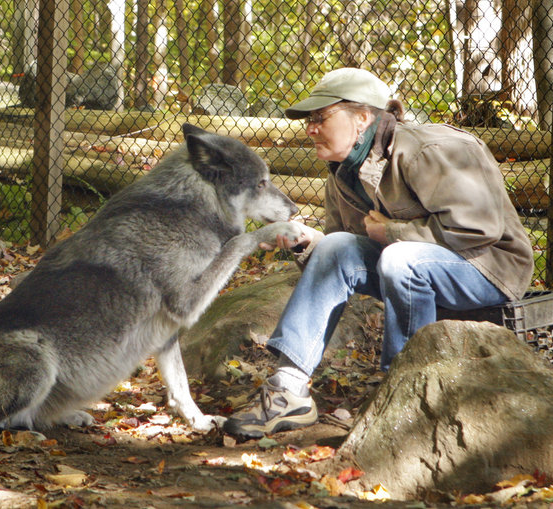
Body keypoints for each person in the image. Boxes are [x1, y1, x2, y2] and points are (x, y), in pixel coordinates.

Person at [222, 67, 535, 439]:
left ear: (362, 118)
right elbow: (348, 249)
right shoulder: (342, 170)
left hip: (489, 268)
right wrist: (310, 243)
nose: (310, 128)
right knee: (339, 247)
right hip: (415, 266)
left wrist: (393, 232)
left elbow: (479, 230)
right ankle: (289, 391)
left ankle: (400, 390)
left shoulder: (428, 150)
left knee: (400, 258)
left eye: (320, 117)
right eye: (309, 120)